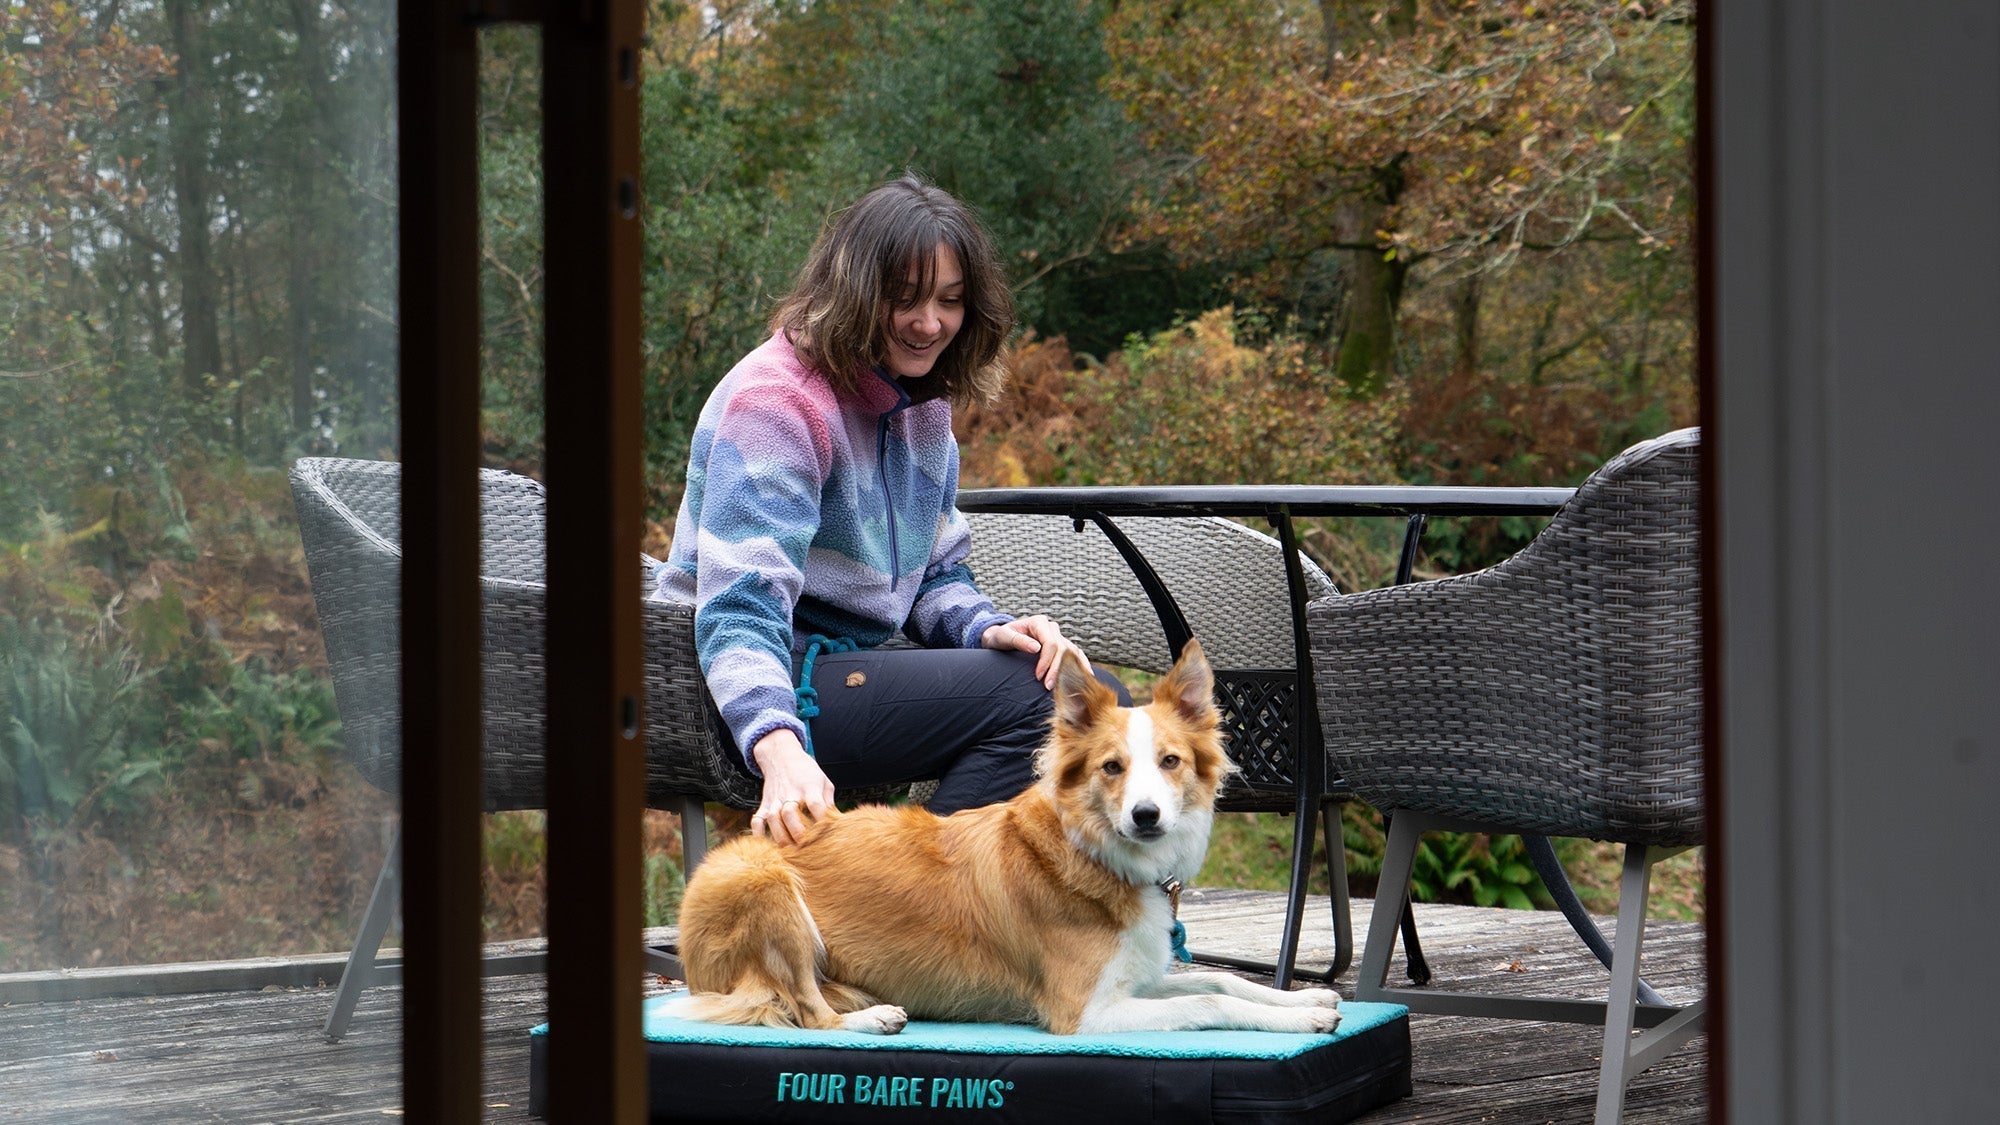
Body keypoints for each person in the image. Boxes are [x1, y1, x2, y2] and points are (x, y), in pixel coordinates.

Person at [654, 173, 1128, 847]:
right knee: (1048, 705)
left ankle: (907, 896)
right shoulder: (778, 404)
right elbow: (739, 608)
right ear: (853, 290)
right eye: (904, 298)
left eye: (950, 300)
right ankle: (915, 896)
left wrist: (988, 630)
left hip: (843, 673)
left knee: (1088, 700)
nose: (929, 323)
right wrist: (778, 745)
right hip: (746, 692)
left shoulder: (921, 409)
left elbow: (934, 576)